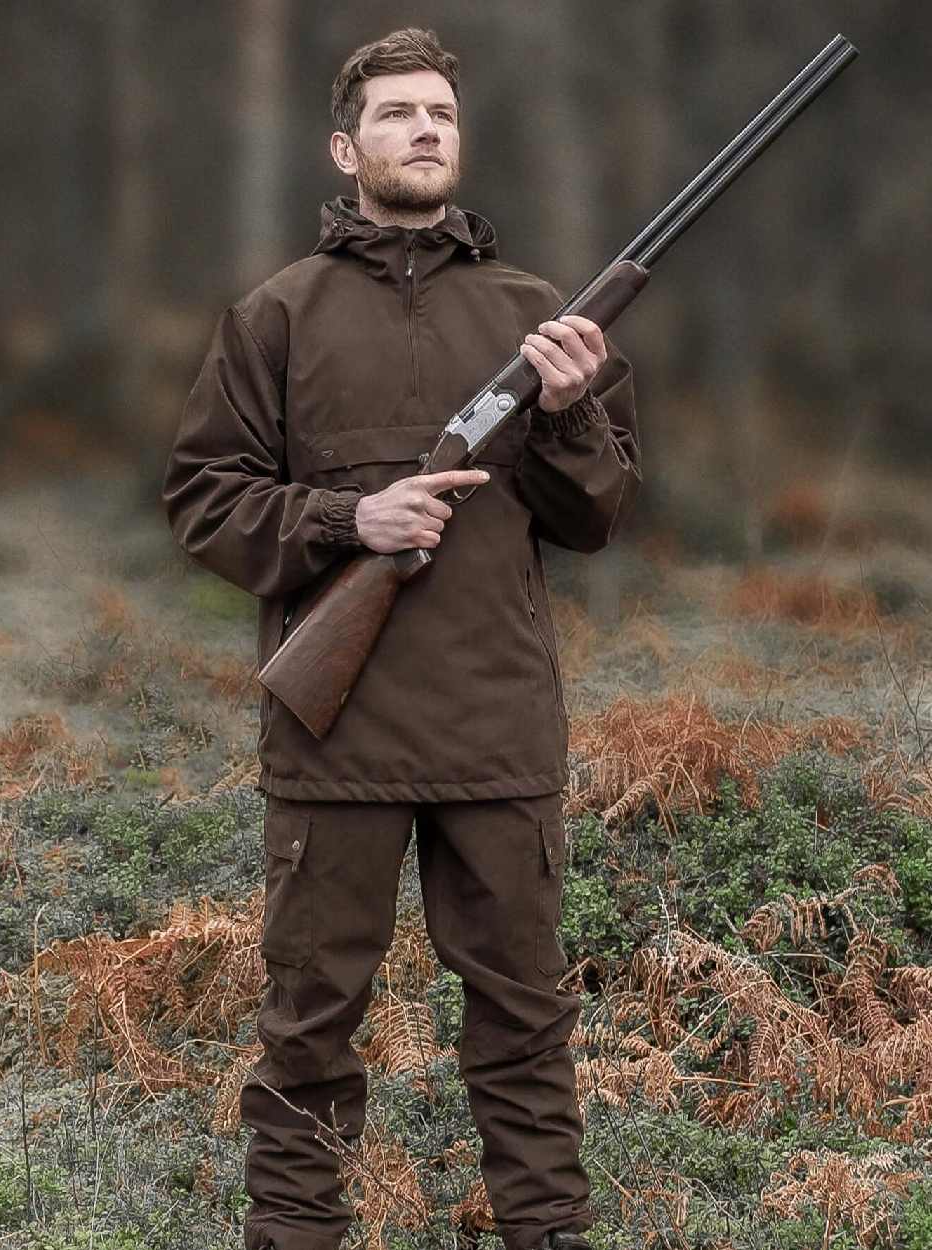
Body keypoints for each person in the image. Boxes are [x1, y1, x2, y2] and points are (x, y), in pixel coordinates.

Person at [162, 26, 641, 1250]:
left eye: (441, 113)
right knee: (309, 1026)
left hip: (497, 730)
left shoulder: (542, 319)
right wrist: (347, 517)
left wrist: (570, 411)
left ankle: (549, 1232)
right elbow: (204, 498)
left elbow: (595, 518)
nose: (424, 129)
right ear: (345, 148)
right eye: (395, 113)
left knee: (526, 1023)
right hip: (336, 740)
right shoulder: (277, 313)